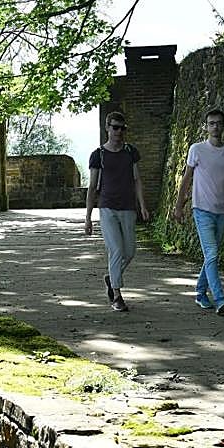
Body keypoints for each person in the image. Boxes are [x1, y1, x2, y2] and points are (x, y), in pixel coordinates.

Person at [173, 108, 224, 316]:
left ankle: (200, 293)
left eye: (219, 123)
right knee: (212, 253)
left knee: (211, 255)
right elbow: (186, 179)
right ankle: (220, 298)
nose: (215, 126)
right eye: (211, 123)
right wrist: (179, 206)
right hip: (201, 209)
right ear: (206, 126)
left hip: (221, 210)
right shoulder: (197, 149)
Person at [85, 111, 150, 311]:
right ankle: (117, 295)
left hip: (128, 207)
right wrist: (87, 217)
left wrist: (143, 205)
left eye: (122, 128)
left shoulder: (131, 152)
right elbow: (92, 186)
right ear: (107, 128)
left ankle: (111, 277)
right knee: (116, 250)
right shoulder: (99, 155)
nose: (119, 132)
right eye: (115, 127)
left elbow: (137, 180)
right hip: (107, 207)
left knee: (130, 251)